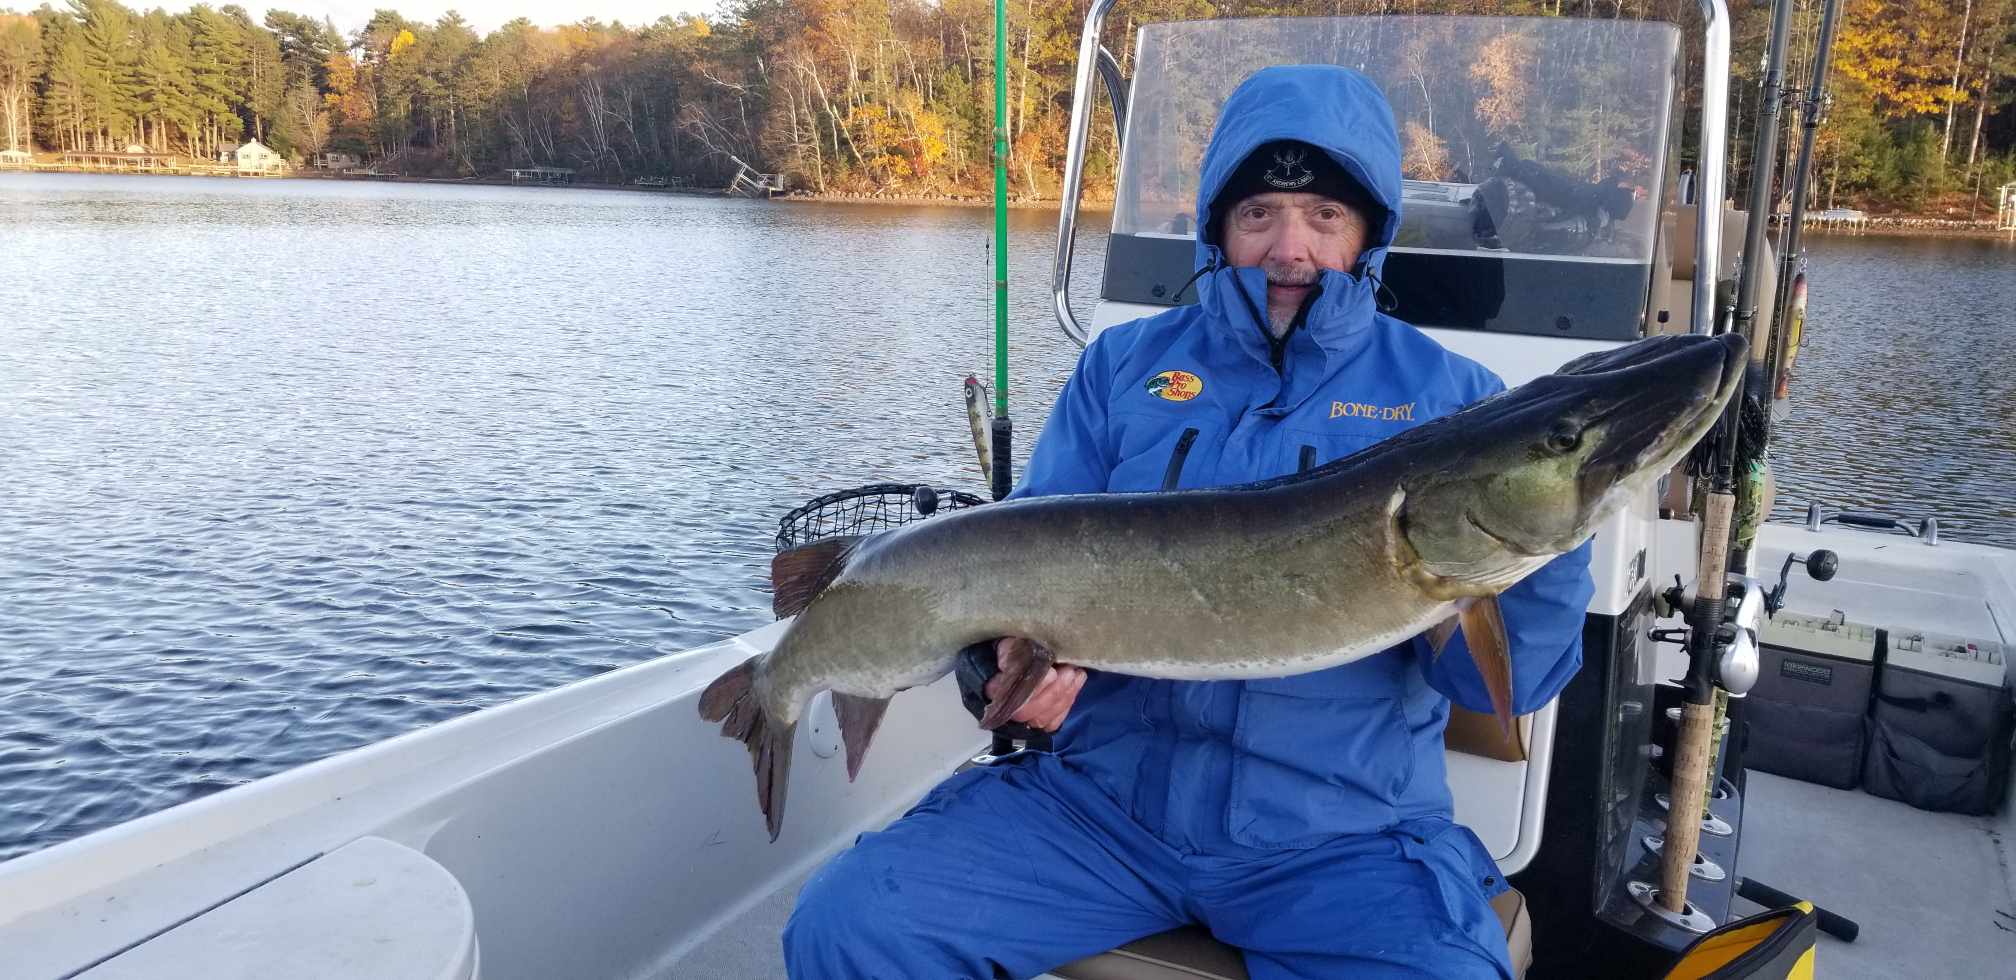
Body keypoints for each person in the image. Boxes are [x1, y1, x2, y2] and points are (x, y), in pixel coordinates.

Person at [784, 65, 1594, 980]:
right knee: (850, 924)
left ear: (1369, 231)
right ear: (1219, 227)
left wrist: (1559, 527)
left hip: (1339, 834)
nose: (1290, 249)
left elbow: (1497, 691)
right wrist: (992, 668)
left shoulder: (1455, 406)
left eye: (1325, 216)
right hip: (1098, 809)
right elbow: (1016, 560)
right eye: (1259, 215)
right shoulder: (1123, 369)